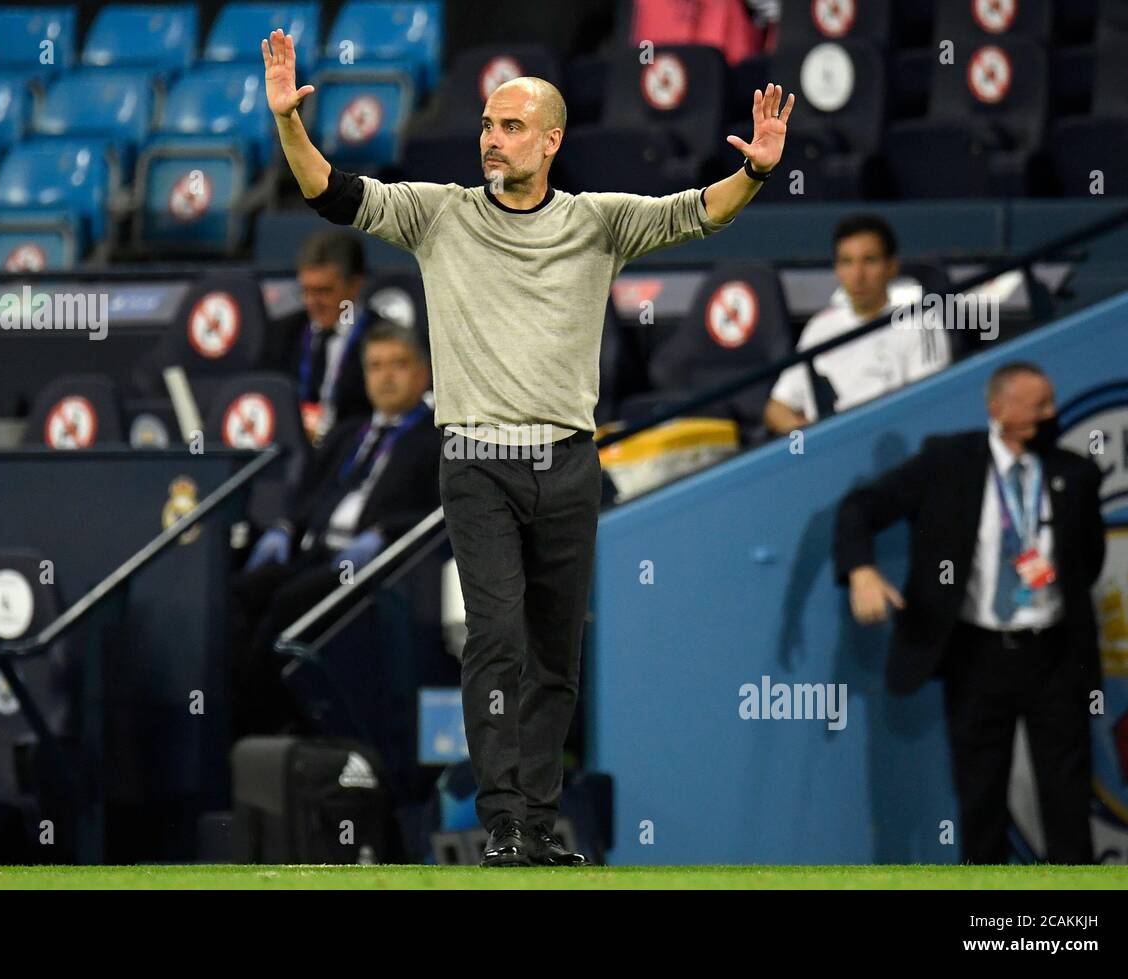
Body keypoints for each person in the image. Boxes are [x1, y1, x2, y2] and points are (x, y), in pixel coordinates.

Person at [262, 28, 794, 865]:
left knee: (555, 655)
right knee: (496, 637)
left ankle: (536, 825)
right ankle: (503, 820)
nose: (491, 138)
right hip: (476, 461)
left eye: (511, 126)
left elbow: (703, 211)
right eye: (485, 124)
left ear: (550, 140)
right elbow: (331, 193)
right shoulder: (440, 214)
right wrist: (291, 124)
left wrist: (758, 167)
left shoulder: (598, 222)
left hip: (570, 463)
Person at [834, 362, 1106, 864]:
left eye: (1051, 403)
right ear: (996, 408)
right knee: (980, 806)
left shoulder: (1075, 473)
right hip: (977, 660)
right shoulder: (948, 464)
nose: (1050, 414)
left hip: (1056, 659)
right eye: (1037, 405)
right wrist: (861, 571)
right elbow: (859, 507)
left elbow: (1087, 561)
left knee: (1067, 807)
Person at [228, 322, 440, 742]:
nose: (387, 376)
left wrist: (384, 533)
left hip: (372, 570)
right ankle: (237, 716)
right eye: (376, 366)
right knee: (239, 593)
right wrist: (284, 529)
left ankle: (257, 727)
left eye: (399, 365)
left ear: (424, 373)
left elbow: (442, 512)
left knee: (289, 604)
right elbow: (304, 496)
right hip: (314, 554)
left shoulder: (438, 437)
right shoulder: (348, 433)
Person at [764, 214, 950, 435]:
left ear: (892, 266)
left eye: (870, 260)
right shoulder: (819, 328)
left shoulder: (921, 324)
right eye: (847, 262)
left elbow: (928, 409)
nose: (858, 275)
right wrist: (803, 434)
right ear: (837, 269)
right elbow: (778, 407)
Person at [262, 230, 377, 445]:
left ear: (355, 285)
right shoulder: (282, 333)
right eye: (306, 291)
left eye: (323, 291)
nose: (312, 302)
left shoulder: (380, 338)